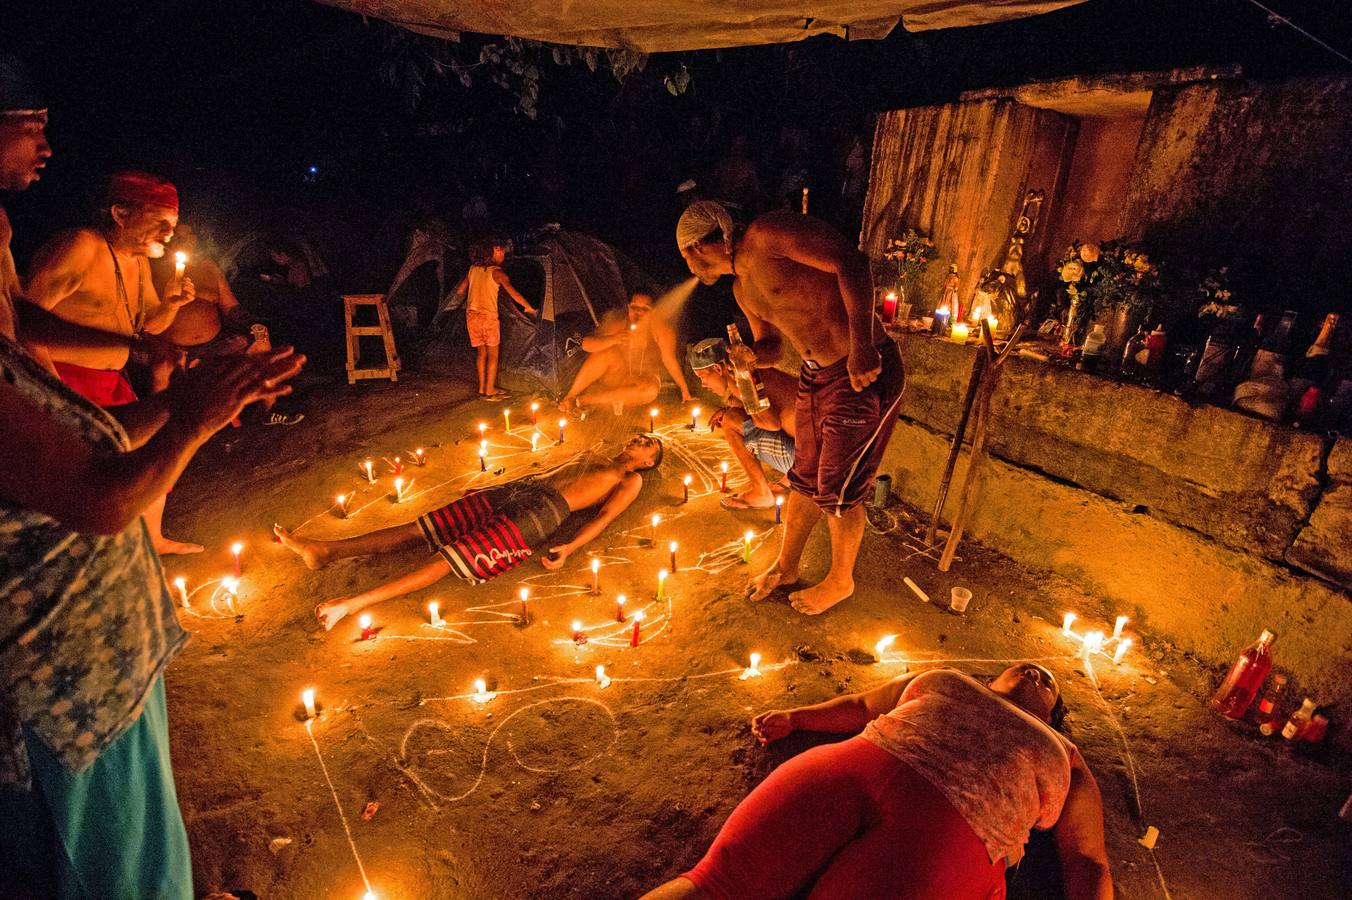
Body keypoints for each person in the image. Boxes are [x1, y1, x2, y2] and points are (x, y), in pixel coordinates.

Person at [0, 57, 308, 898]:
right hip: (60, 703)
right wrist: (195, 412)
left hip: (108, 680)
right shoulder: (67, 252)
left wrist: (187, 385)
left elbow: (93, 438)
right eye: (29, 122)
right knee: (101, 872)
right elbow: (99, 496)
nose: (47, 144)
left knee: (143, 857)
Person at [643, 664, 1113, 900]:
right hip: (854, 768)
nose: (1036, 671)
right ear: (994, 677)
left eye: (1048, 680)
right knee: (717, 883)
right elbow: (866, 706)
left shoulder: (1064, 755)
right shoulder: (946, 678)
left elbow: (1088, 860)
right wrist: (797, 717)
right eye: (1027, 664)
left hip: (952, 833)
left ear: (1053, 712)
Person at [677, 200, 904, 615]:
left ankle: (840, 581)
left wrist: (863, 345)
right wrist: (748, 356)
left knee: (839, 488)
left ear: (695, 247)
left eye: (686, 258)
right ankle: (786, 566)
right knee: (804, 478)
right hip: (816, 377)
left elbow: (850, 262)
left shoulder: (768, 235)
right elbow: (774, 347)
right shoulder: (742, 288)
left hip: (861, 372)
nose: (690, 269)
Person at [276, 434, 664, 630]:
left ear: (648, 461)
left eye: (648, 445)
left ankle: (353, 603)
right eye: (641, 436)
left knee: (447, 558)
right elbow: (548, 473)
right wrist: (495, 488)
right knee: (423, 528)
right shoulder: (596, 452)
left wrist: (569, 548)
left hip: (541, 515)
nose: (639, 441)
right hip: (519, 491)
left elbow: (603, 518)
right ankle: (327, 550)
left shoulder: (630, 479)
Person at [24, 171, 204, 554]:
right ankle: (91, 554)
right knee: (93, 477)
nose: (169, 233)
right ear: (121, 213)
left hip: (111, 380)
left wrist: (171, 303)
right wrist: (52, 394)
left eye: (172, 224)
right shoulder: (80, 246)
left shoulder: (137, 261)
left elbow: (148, 325)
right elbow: (24, 322)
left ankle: (154, 538)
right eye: (160, 222)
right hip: (66, 381)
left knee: (156, 452)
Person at [688, 337, 797, 510]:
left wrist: (730, 415)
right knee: (734, 414)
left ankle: (761, 493)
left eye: (702, 377)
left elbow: (771, 423)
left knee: (731, 421)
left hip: (815, 465)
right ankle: (791, 477)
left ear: (717, 368)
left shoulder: (742, 379)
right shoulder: (753, 370)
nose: (703, 384)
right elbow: (765, 405)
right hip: (831, 451)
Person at [560, 291, 694, 414]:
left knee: (651, 390)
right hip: (616, 376)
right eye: (635, 307)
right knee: (606, 353)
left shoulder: (661, 331)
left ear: (653, 311)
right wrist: (614, 339)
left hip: (640, 381)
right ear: (629, 307)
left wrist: (685, 390)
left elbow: (669, 360)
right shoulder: (618, 325)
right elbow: (586, 345)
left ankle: (588, 400)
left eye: (645, 309)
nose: (638, 313)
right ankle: (571, 396)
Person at [449, 236, 536, 400]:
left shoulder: (472, 269)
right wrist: (528, 307)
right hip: (488, 317)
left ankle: (482, 388)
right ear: (492, 251)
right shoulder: (497, 273)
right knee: (493, 355)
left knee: (481, 353)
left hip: (471, 315)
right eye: (501, 249)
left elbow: (461, 291)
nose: (503, 252)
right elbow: (514, 293)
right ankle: (490, 390)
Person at [154, 222, 253, 363]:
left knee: (251, 349)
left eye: (188, 235)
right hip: (171, 348)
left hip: (216, 344)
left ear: (195, 239)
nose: (183, 239)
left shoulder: (208, 266)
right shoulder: (153, 268)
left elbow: (231, 307)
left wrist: (255, 327)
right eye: (177, 235)